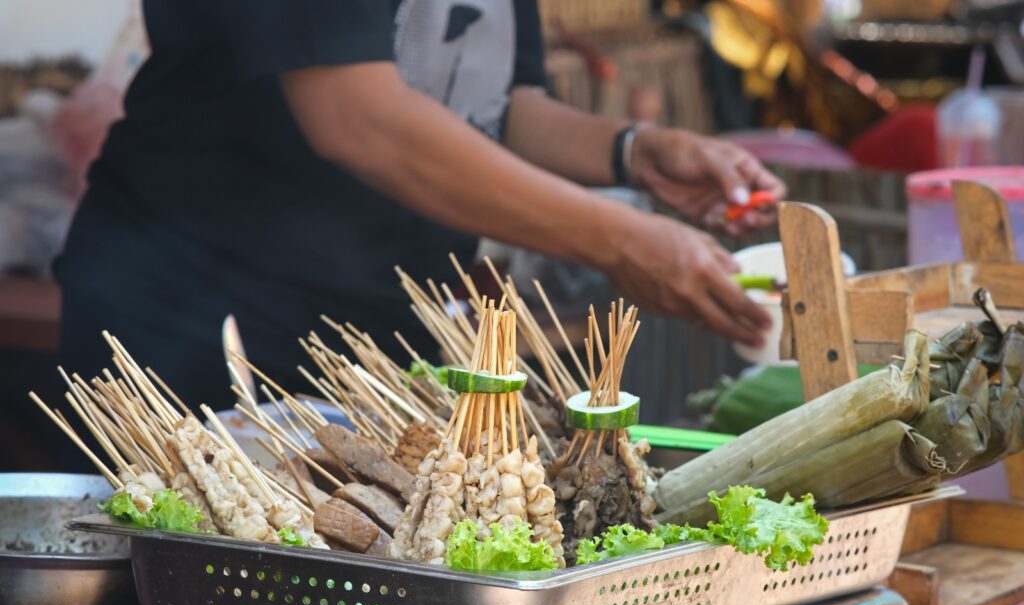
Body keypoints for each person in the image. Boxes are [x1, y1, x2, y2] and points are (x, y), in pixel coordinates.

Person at [55, 0, 784, 425]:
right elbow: (357, 116)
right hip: (198, 330)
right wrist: (623, 241)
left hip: (380, 335)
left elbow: (495, 104)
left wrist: (632, 151)